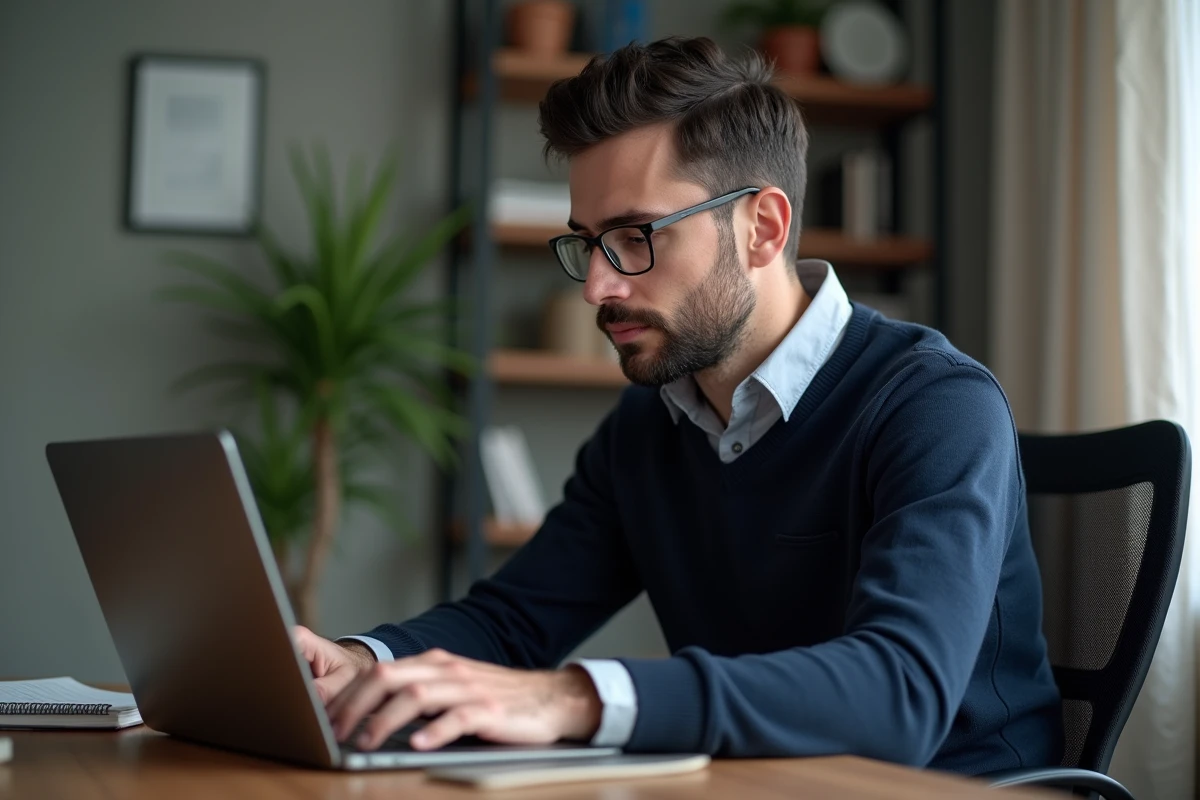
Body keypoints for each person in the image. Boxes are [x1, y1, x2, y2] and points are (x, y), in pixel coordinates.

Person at [294, 36, 1063, 774]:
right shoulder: (647, 429)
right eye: (586, 244)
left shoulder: (933, 405)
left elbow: (901, 693)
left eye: (633, 236)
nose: (598, 285)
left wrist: (575, 698)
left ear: (762, 228)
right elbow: (514, 619)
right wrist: (365, 663)